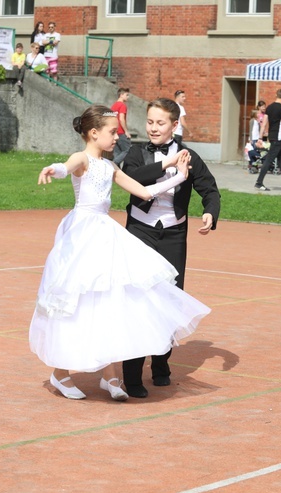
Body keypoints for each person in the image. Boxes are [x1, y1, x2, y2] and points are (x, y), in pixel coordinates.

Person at [30, 104, 210, 401]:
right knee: (82, 301)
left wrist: (179, 175)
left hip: (106, 234)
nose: (118, 137)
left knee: (111, 300)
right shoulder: (84, 160)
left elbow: (146, 192)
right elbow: (69, 164)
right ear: (93, 133)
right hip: (83, 236)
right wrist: (55, 169)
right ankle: (61, 373)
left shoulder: (111, 167)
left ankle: (110, 376)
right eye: (113, 132)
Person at [120, 98, 221, 398]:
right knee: (137, 301)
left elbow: (210, 189)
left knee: (168, 300)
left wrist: (210, 212)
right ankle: (132, 375)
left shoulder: (191, 156)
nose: (153, 128)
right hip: (139, 231)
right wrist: (166, 163)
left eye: (160, 122)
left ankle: (161, 365)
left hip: (174, 236)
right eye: (150, 122)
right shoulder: (136, 153)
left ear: (174, 125)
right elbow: (133, 179)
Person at [111, 87, 132, 165]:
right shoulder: (122, 105)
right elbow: (121, 119)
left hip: (114, 133)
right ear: (121, 95)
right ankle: (113, 164)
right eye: (127, 95)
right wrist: (126, 131)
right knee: (128, 150)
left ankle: (116, 172)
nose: (128, 97)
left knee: (117, 153)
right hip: (121, 132)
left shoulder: (113, 106)